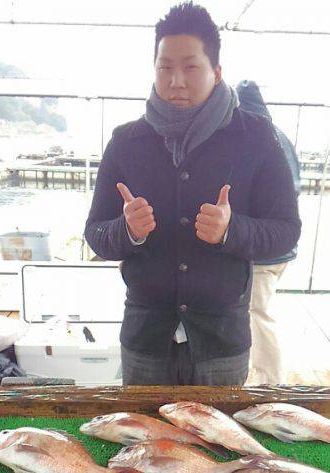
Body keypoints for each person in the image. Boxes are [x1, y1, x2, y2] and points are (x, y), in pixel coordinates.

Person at [85, 2, 301, 386]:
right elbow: (96, 234)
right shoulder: (126, 141)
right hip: (145, 338)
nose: (176, 80)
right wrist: (127, 230)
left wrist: (232, 231)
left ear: (216, 73)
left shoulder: (256, 137)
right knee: (141, 444)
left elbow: (286, 230)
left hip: (221, 341)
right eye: (165, 67)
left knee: (218, 446)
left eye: (190, 66)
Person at [236, 80, 301, 385]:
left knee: (258, 313)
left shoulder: (254, 140)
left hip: (262, 252)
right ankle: (259, 375)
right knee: (257, 311)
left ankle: (270, 385)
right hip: (281, 250)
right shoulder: (282, 138)